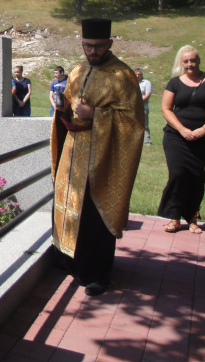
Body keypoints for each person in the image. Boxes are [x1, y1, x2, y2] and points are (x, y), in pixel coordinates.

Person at [51, 18, 144, 296]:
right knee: (70, 204)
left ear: (110, 43)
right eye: (88, 46)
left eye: (99, 46)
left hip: (103, 157)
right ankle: (69, 260)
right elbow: (71, 104)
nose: (93, 51)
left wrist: (96, 114)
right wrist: (64, 108)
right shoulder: (78, 71)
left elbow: (134, 123)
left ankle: (97, 274)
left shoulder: (123, 76)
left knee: (94, 213)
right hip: (74, 153)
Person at [157, 45, 205, 234]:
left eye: (193, 60)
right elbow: (166, 109)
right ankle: (174, 217)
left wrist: (203, 129)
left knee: (197, 177)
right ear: (181, 62)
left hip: (202, 138)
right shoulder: (174, 83)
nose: (190, 64)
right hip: (176, 137)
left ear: (199, 60)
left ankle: (192, 217)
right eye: (186, 61)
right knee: (178, 173)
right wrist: (182, 129)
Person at [135, 68, 153, 145]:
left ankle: (147, 141)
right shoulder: (131, 82)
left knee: (144, 125)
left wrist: (137, 102)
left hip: (143, 107)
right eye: (136, 74)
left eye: (139, 74)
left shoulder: (147, 83)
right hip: (133, 108)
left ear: (142, 75)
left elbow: (147, 95)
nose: (137, 76)